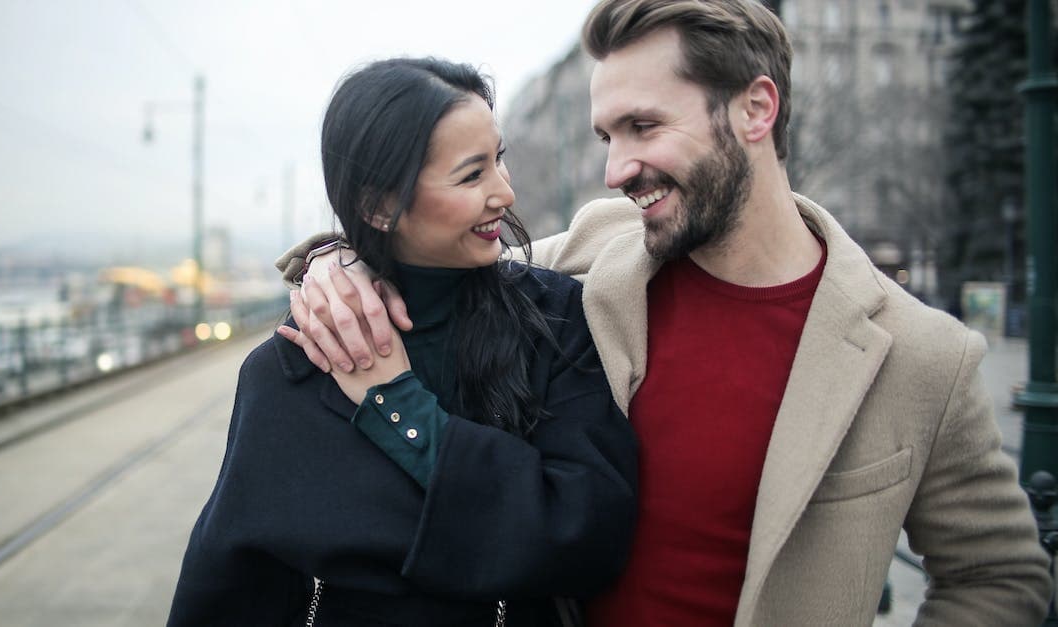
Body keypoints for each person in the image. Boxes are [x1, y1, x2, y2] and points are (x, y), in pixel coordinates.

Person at [278, 1, 1054, 624]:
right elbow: (435, 249)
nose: (617, 169)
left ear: (756, 109)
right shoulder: (590, 253)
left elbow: (1000, 574)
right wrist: (332, 262)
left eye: (644, 127)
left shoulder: (923, 354)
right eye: (607, 135)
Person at [167, 57, 638, 627]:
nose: (505, 194)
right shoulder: (290, 367)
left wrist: (401, 406)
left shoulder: (551, 318)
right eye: (472, 175)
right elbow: (234, 583)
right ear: (379, 207)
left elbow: (589, 532)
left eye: (499, 161)